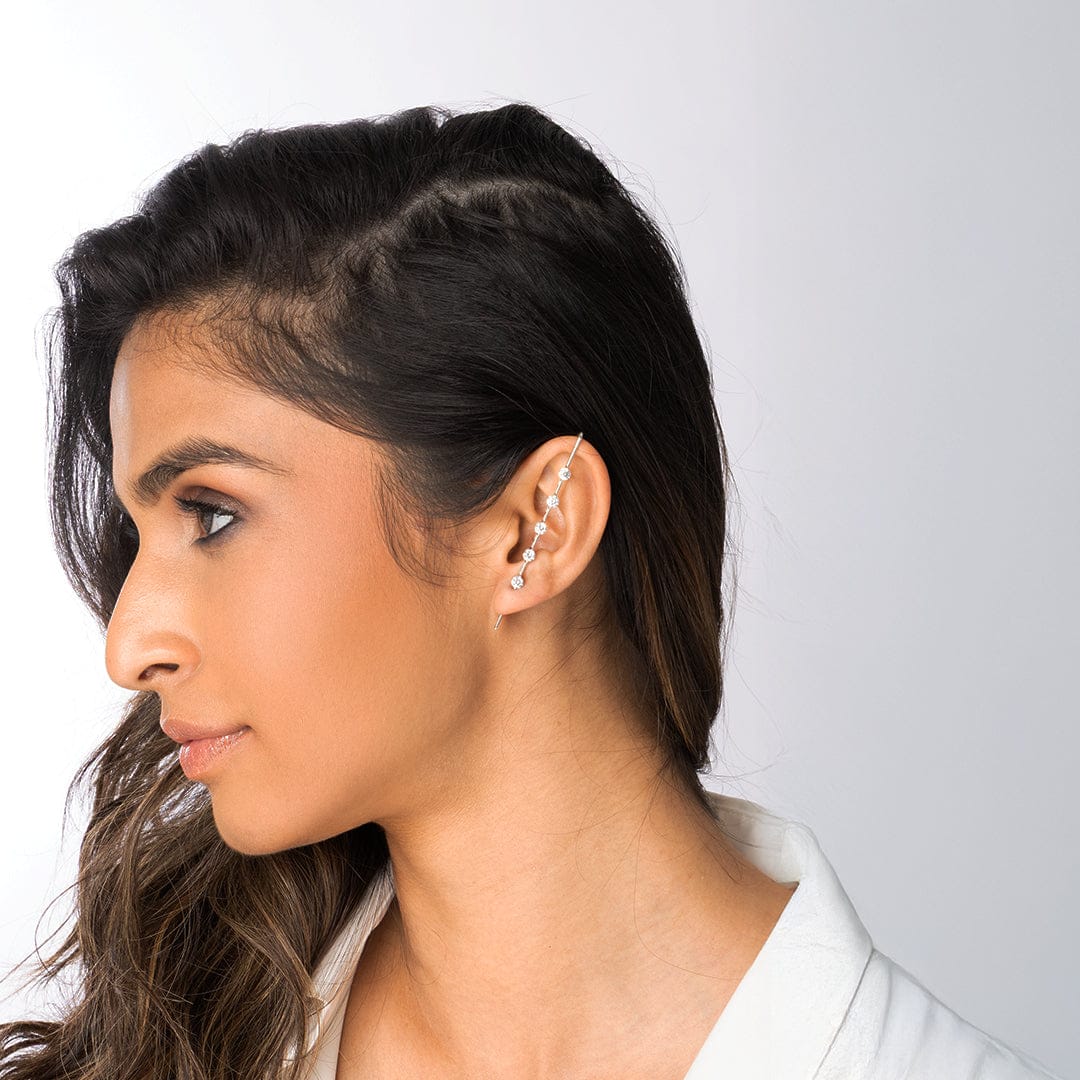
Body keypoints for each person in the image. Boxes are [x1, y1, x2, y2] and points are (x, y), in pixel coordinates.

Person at [0, 102, 1064, 1080]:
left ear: (534, 528)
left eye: (212, 515)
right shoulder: (156, 1049)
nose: (128, 644)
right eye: (140, 536)